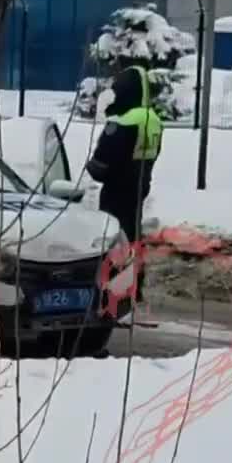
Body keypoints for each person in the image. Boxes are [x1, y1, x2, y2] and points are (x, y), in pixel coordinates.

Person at [86, 64, 163, 302]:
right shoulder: (153, 119)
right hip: (139, 187)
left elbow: (101, 165)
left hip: (116, 191)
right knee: (133, 235)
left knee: (113, 239)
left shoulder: (122, 121)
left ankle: (111, 291)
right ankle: (134, 287)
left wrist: (92, 166)